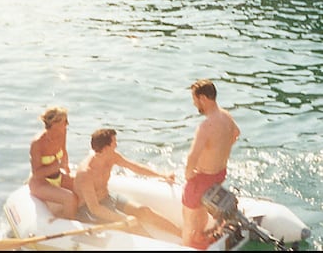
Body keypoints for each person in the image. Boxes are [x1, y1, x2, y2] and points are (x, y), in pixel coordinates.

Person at [73, 128, 182, 238]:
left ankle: (182, 235)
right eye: (114, 142)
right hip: (89, 211)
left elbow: (134, 167)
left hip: (108, 197)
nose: (116, 145)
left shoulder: (112, 156)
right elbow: (94, 208)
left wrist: (161, 175)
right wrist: (124, 219)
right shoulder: (86, 173)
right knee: (133, 225)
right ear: (106, 148)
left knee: (144, 211)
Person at [181, 79, 240, 249]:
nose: (194, 103)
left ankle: (186, 246)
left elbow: (193, 156)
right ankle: (200, 238)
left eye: (195, 99)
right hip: (219, 173)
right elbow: (236, 133)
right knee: (202, 209)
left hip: (202, 177)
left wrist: (188, 175)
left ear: (203, 98)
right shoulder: (226, 116)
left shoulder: (205, 126)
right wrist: (218, 151)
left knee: (189, 219)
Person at [28, 106, 78, 219]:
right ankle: (69, 226)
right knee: (69, 198)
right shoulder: (37, 143)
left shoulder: (62, 133)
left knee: (82, 185)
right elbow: (36, 173)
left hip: (58, 176)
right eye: (64, 121)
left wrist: (67, 171)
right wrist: (57, 166)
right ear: (53, 123)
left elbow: (64, 152)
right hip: (40, 183)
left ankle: (82, 217)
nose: (67, 124)